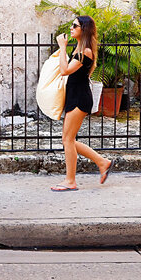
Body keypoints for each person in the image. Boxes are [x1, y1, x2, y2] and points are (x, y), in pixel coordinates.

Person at [50, 16, 115, 192]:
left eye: (75, 26)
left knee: (67, 139)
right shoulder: (80, 48)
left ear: (83, 29)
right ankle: (103, 162)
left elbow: (65, 71)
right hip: (75, 97)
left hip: (80, 98)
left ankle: (70, 181)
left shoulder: (85, 51)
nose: (71, 28)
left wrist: (62, 46)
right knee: (68, 140)